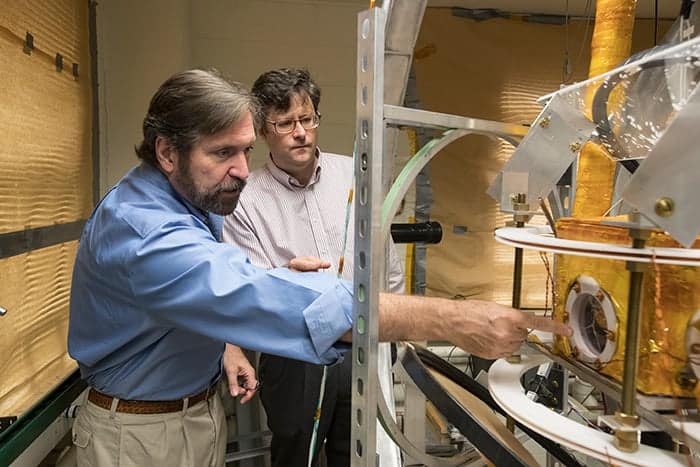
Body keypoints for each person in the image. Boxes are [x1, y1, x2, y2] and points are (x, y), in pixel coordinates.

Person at [67, 68, 571, 467]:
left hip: (192, 412)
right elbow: (242, 290)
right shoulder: (144, 231)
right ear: (166, 152)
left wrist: (232, 333)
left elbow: (208, 292)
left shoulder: (188, 200)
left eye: (243, 151)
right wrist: (453, 320)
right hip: (139, 435)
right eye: (224, 153)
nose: (242, 171)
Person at [222, 68, 403, 467]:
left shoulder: (355, 175)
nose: (300, 132)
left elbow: (387, 263)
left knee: (356, 451)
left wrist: (392, 332)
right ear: (263, 130)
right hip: (294, 354)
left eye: (307, 119)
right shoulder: (245, 198)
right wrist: (288, 275)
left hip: (361, 346)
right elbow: (246, 288)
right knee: (295, 451)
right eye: (285, 123)